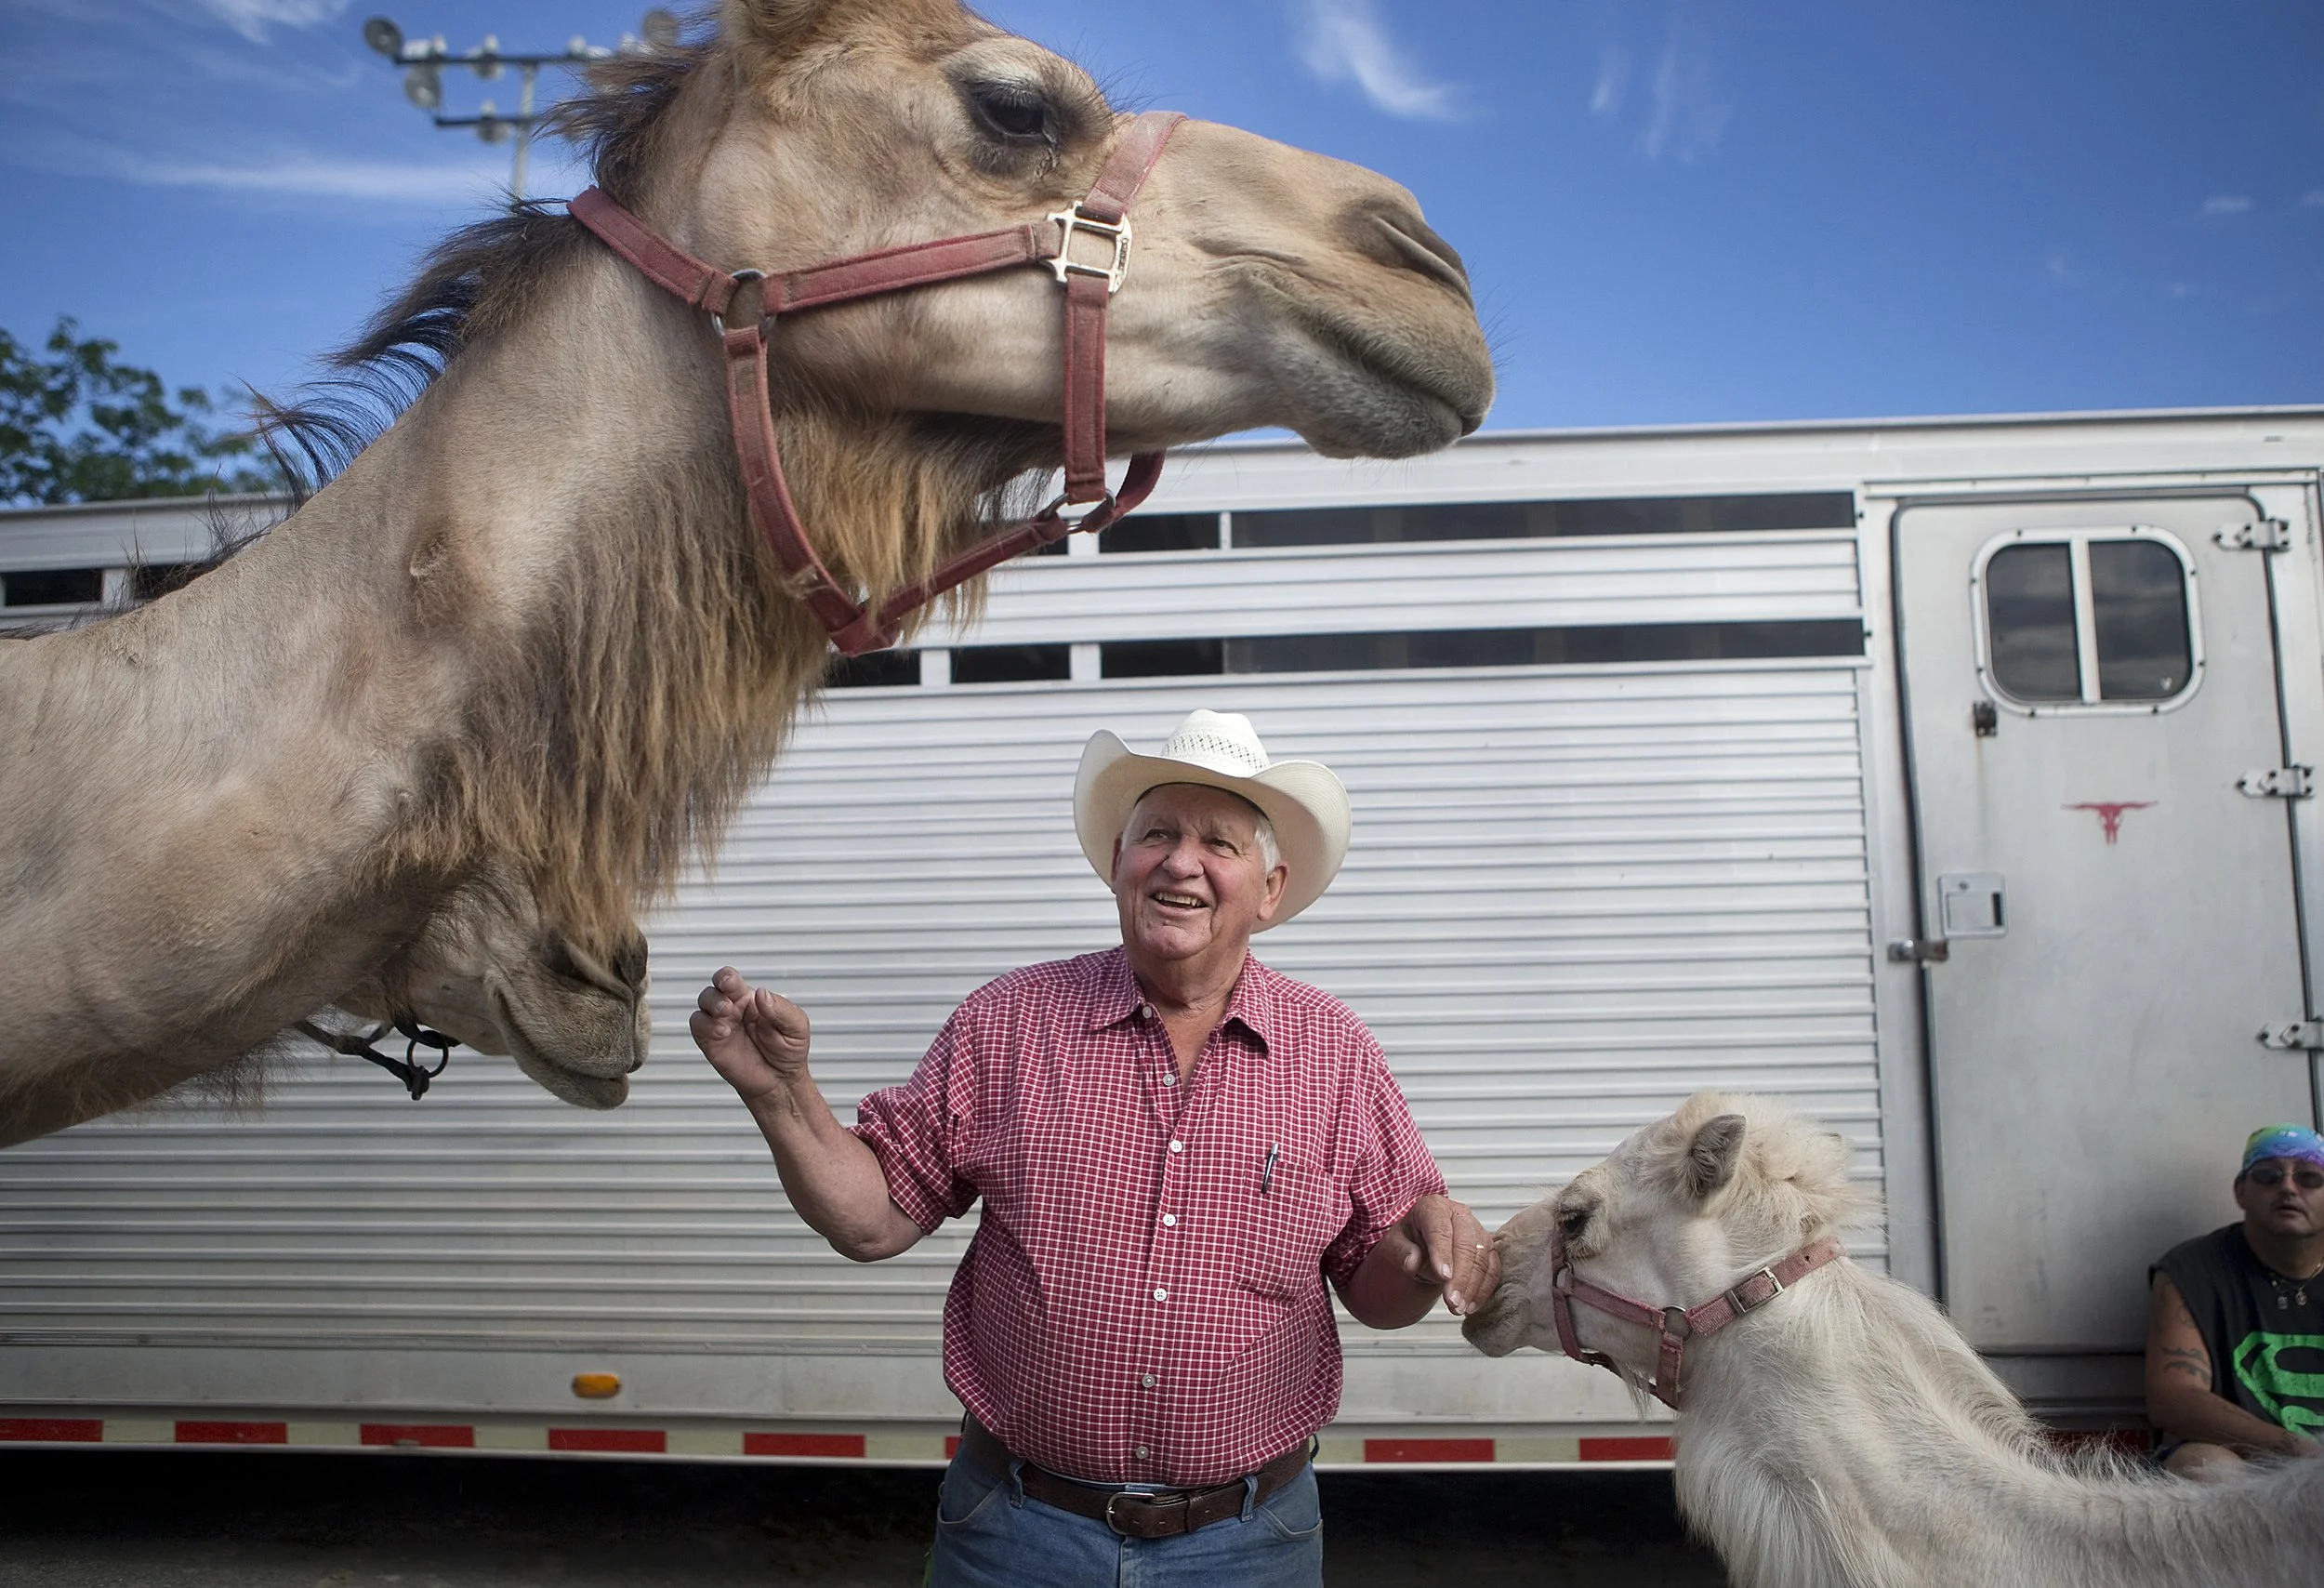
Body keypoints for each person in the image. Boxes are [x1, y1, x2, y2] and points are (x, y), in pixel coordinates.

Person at [692, 709, 1498, 1586]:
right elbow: (874, 1219)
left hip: (1249, 1545)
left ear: (1268, 890)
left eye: (1218, 844)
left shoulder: (1335, 1054)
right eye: (1157, 834)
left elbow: (1377, 1292)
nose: (1181, 862)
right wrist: (780, 1093)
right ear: (1119, 861)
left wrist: (1422, 1255)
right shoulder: (1008, 1024)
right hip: (1018, 1533)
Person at [2146, 1123, 2324, 1478]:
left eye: (2309, 1178)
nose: (2287, 1186)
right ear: (2241, 1191)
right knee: (2207, 1468)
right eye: (2268, 1175)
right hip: (2241, 1459)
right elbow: (2174, 1398)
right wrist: (2300, 1453)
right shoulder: (2192, 1268)